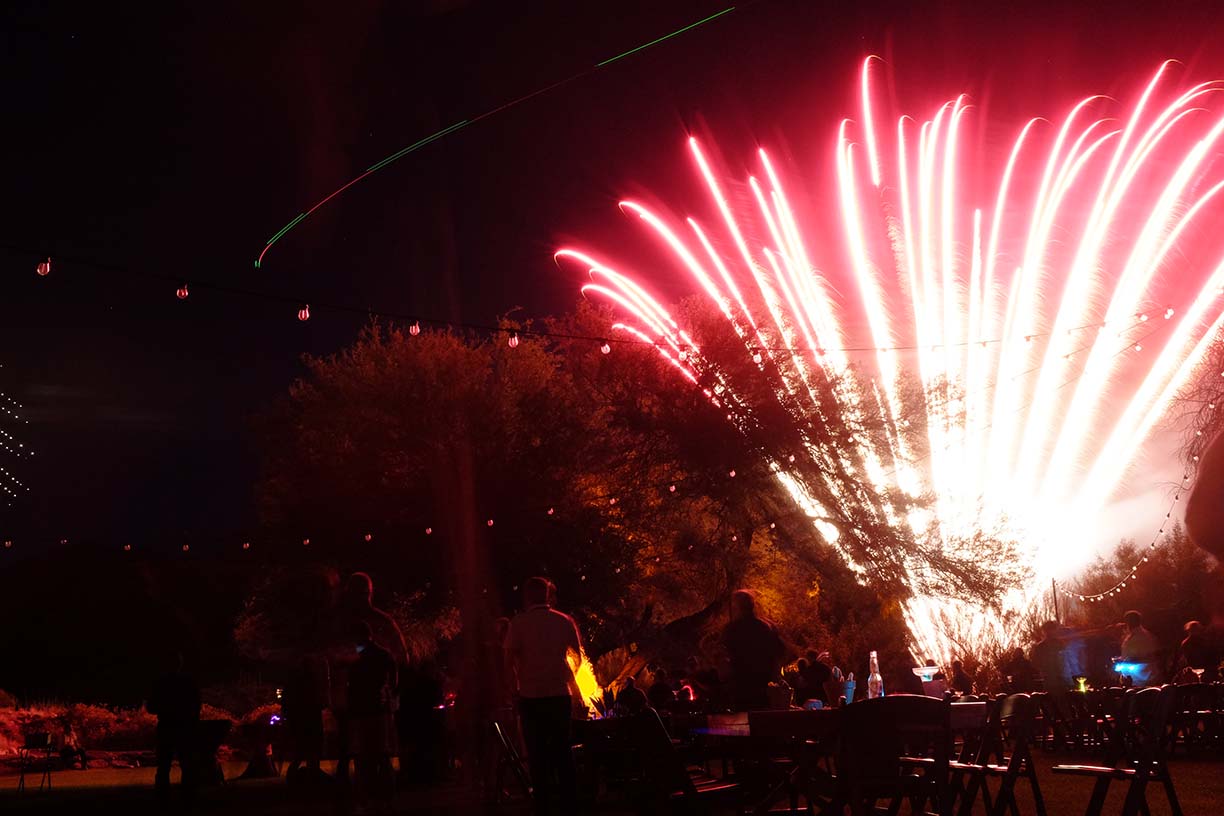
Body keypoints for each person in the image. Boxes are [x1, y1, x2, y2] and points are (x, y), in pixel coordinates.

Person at [504, 577, 581, 816]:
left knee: (537, 754)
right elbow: (577, 657)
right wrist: (564, 674)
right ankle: (569, 803)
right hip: (559, 694)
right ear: (548, 595)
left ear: (527, 596)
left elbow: (508, 660)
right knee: (562, 750)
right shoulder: (564, 621)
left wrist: (516, 687)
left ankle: (543, 804)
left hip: (531, 696)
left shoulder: (518, 623)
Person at [335, 572, 408, 783]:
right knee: (370, 748)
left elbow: (400, 659)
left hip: (362, 701)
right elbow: (401, 658)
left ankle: (365, 788)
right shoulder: (379, 622)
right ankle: (376, 788)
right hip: (366, 702)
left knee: (356, 748)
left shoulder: (345, 624)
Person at [347, 620, 398, 812]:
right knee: (381, 753)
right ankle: (385, 796)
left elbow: (351, 687)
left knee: (364, 755)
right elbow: (394, 681)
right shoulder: (384, 655)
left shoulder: (357, 659)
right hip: (379, 711)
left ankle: (368, 795)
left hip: (363, 712)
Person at [148, 652, 201, 803]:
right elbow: (196, 705)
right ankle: (188, 795)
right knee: (187, 762)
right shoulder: (188, 682)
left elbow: (151, 707)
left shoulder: (160, 683)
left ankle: (162, 795)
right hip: (184, 727)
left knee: (164, 763)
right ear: (180, 664)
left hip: (166, 726)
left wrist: (165, 709)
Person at [721, 589, 786, 710]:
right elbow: (781, 651)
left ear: (737, 606)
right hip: (764, 683)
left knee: (744, 716)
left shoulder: (732, 629)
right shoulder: (767, 627)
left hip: (741, 684)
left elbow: (725, 655)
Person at [1119, 610, 1162, 686]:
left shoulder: (1142, 637)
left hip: (1140, 679)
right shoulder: (1133, 636)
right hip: (1133, 678)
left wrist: (1129, 660)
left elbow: (1152, 656)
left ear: (1129, 622)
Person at [1031, 621, 1069, 692]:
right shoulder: (1041, 646)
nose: (1050, 632)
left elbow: (1035, 663)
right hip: (1051, 676)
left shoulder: (1059, 644)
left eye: (1051, 629)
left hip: (1057, 676)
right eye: (1048, 629)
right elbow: (1036, 663)